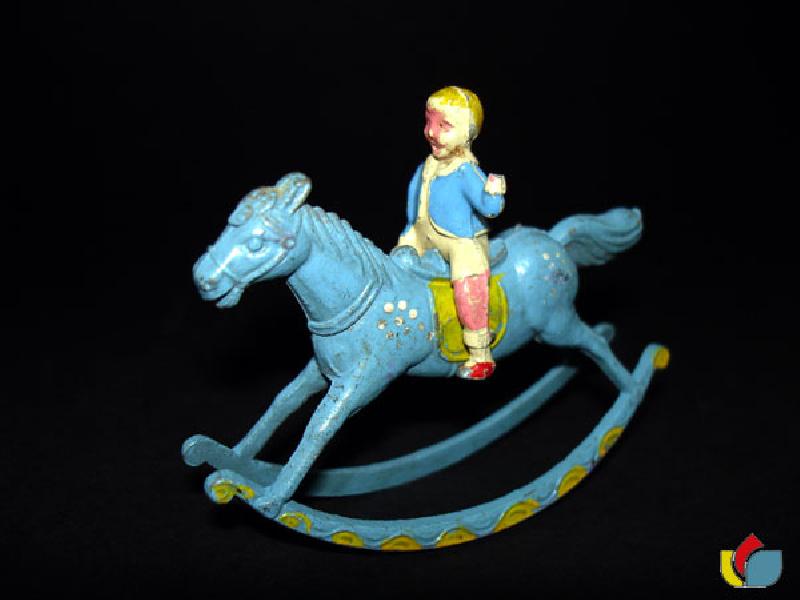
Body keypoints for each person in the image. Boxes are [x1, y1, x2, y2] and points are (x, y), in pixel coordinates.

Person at [395, 86, 506, 380]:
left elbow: (489, 207)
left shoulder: (465, 171)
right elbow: (414, 206)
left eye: (445, 126)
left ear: (467, 133)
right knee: (393, 266)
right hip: (422, 233)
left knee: (467, 285)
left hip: (459, 241)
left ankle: (480, 351)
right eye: (429, 122)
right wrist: (409, 237)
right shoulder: (426, 167)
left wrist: (494, 190)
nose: (432, 132)